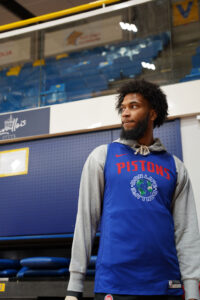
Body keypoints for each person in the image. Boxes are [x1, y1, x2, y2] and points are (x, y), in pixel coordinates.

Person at [65, 79, 200, 300]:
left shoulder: (175, 166)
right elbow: (86, 221)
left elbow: (187, 231)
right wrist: (74, 286)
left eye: (134, 106)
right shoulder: (102, 156)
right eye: (123, 108)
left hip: (165, 284)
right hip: (115, 283)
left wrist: (192, 290)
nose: (125, 113)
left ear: (153, 113)